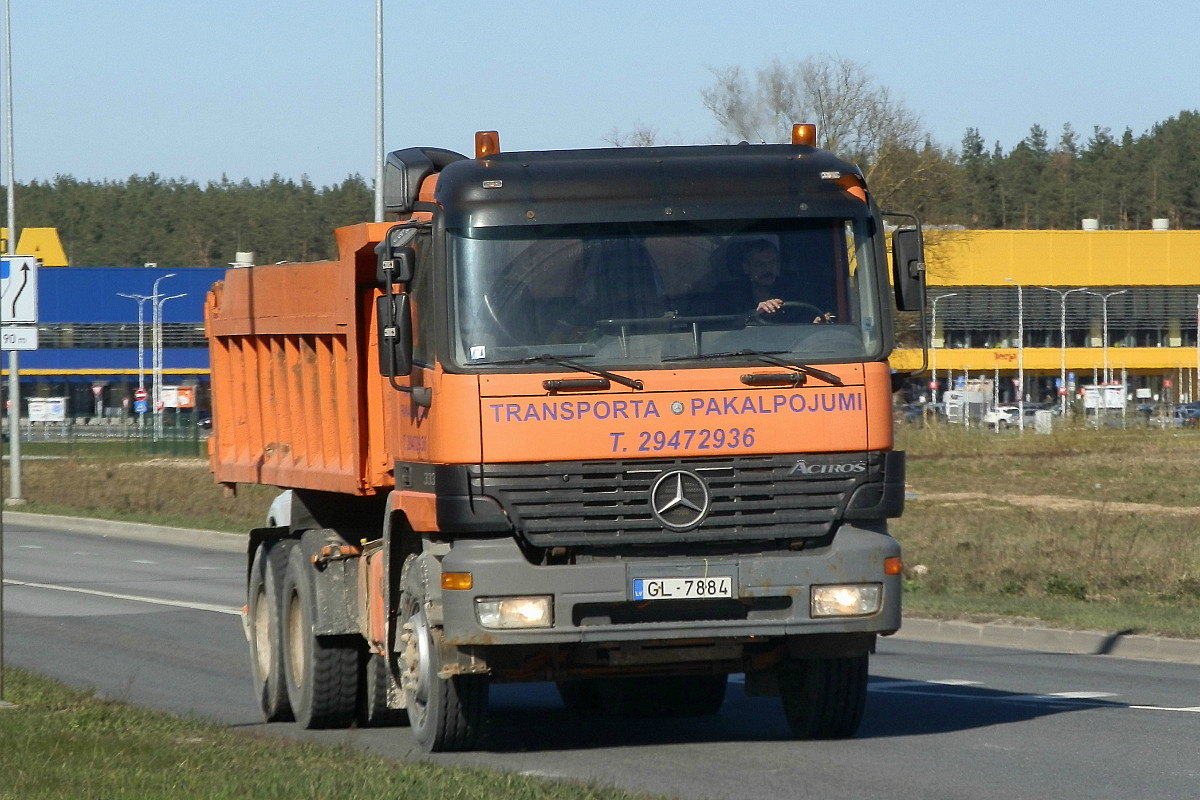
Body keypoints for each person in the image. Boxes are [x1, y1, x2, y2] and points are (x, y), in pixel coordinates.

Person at [728, 238, 833, 322]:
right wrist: (756, 314)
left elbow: (804, 322)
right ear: (746, 267)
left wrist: (815, 323)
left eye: (772, 263)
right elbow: (725, 327)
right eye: (760, 264)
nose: (768, 269)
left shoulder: (795, 291)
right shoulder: (730, 294)